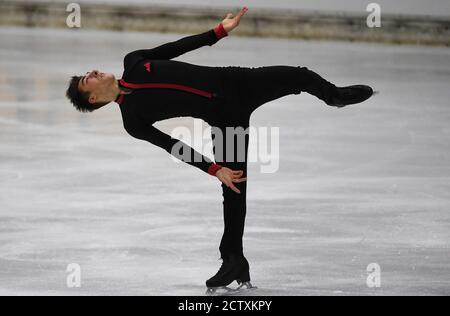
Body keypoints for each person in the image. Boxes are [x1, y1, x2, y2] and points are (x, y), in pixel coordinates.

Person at [65, 6, 373, 292]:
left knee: (299, 75)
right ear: (93, 99)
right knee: (235, 188)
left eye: (88, 72)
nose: (91, 72)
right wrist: (214, 169)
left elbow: (177, 48)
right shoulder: (133, 120)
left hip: (237, 81)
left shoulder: (134, 61)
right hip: (226, 119)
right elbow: (174, 146)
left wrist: (219, 31)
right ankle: (233, 262)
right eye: (86, 80)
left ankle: (334, 96)